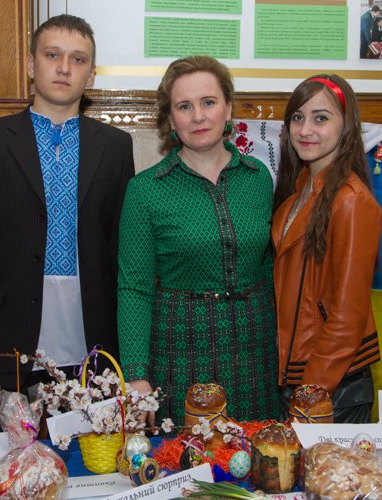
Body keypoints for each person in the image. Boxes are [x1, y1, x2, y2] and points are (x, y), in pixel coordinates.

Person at [0, 14, 135, 432]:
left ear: (91, 74)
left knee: (90, 458)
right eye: (53, 55)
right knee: (6, 459)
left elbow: (122, 257)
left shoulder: (114, 147)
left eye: (78, 59)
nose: (64, 68)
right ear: (32, 65)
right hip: (6, 341)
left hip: (91, 343)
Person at [118, 56, 280, 424]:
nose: (198, 116)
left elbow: (271, 267)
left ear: (228, 109)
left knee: (259, 450)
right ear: (170, 118)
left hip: (255, 347)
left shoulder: (258, 178)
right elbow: (134, 289)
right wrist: (136, 375)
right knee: (186, 453)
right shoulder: (146, 190)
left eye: (208, 102)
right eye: (184, 106)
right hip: (181, 347)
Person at [272, 75, 382, 423]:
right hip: (297, 378)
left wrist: (309, 397)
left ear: (346, 126)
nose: (306, 129)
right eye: (298, 117)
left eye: (321, 118)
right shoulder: (298, 191)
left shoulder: (351, 200)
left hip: (332, 388)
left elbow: (347, 319)